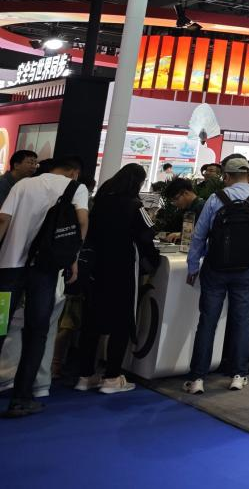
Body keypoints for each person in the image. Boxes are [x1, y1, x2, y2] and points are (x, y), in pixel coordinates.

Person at [0, 156, 89, 417]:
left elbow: (3, 220)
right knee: (36, 332)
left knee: (0, 326)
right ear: (74, 172)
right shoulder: (76, 188)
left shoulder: (23, 185)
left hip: (8, 268)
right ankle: (21, 399)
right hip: (45, 271)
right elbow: (82, 221)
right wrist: (73, 258)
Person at [183, 155, 249, 395]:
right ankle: (238, 375)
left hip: (215, 269)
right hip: (246, 271)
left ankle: (197, 378)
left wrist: (193, 267)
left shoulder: (216, 199)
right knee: (241, 323)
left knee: (207, 322)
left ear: (227, 177)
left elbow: (199, 235)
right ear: (248, 176)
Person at [75, 164, 159, 395]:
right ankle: (112, 378)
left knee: (92, 323)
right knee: (121, 323)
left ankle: (85, 376)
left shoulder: (100, 202)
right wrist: (153, 260)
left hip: (96, 268)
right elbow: (148, 234)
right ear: (138, 182)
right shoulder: (134, 205)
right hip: (123, 268)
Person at [156, 177, 202, 243]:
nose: (174, 203)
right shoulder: (184, 210)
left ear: (186, 193)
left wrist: (181, 234)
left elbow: (203, 232)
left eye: (175, 199)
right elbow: (170, 227)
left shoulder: (202, 208)